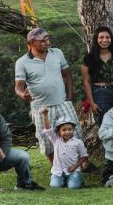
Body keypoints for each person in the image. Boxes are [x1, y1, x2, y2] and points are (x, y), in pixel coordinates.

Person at [14, 26, 74, 162]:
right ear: (30, 44)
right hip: (41, 108)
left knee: (74, 135)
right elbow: (18, 87)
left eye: (48, 39)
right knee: (47, 142)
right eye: (42, 40)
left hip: (62, 102)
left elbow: (67, 75)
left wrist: (69, 98)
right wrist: (23, 94)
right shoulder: (22, 62)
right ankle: (56, 167)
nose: (47, 42)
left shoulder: (57, 53)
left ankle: (81, 165)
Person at [80, 26, 113, 123]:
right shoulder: (88, 58)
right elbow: (86, 82)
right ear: (96, 39)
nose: (105, 40)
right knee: (104, 122)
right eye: (101, 37)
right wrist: (91, 102)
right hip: (100, 94)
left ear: (111, 39)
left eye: (107, 37)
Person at [43, 112, 89, 189]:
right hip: (58, 172)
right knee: (55, 186)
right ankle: (60, 180)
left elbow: (84, 156)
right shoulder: (56, 140)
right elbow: (48, 129)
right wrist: (45, 115)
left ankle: (77, 179)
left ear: (73, 129)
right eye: (64, 130)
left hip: (73, 171)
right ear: (58, 132)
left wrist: (75, 166)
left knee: (73, 187)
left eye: (70, 129)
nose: (67, 132)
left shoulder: (78, 142)